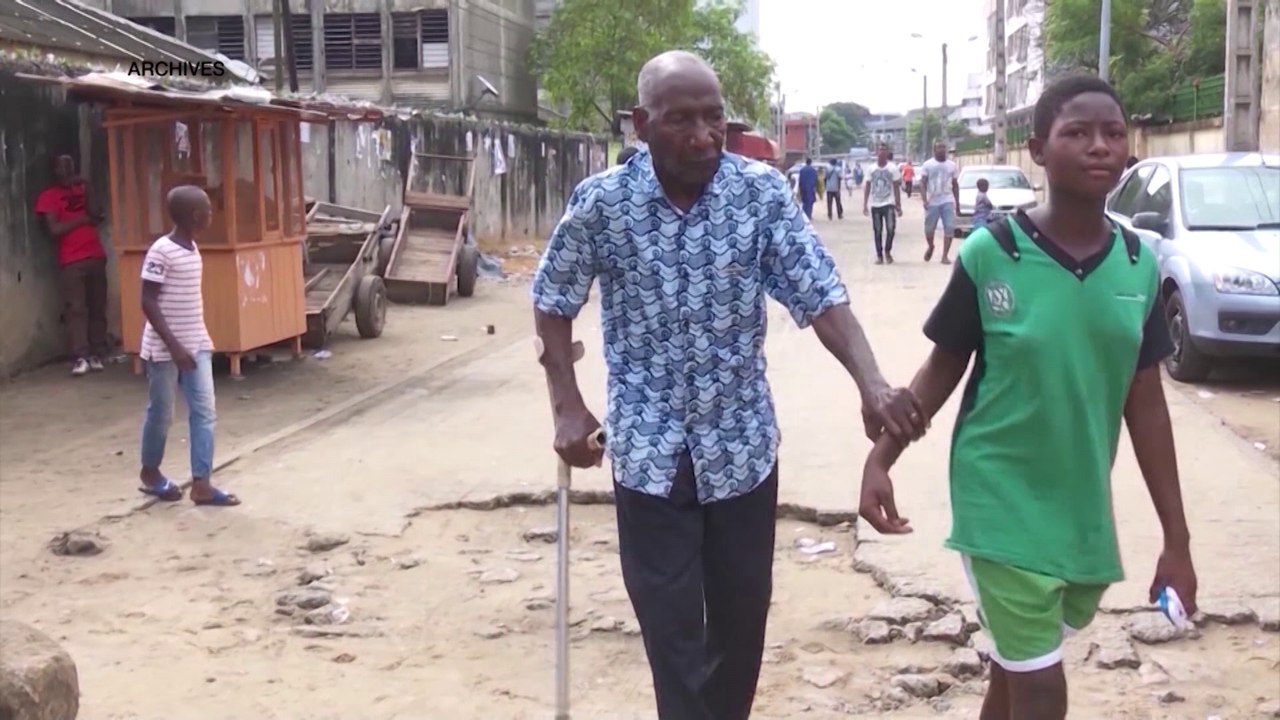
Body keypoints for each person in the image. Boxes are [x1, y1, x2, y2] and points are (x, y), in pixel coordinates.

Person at [531, 50, 926, 720]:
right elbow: (552, 298)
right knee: (672, 637)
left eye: (714, 119)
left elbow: (820, 293)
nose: (703, 137)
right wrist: (567, 407)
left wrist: (871, 382)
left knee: (741, 628)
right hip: (649, 454)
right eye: (681, 120)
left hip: (741, 448)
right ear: (641, 125)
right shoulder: (603, 204)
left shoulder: (760, 194)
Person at [858, 75, 1197, 720]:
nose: (1099, 146)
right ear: (1038, 149)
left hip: (1079, 506)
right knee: (1041, 688)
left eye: (1113, 133)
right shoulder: (994, 252)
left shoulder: (1137, 263)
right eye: (1078, 133)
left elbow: (1147, 405)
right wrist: (881, 459)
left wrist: (1176, 539)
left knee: (1015, 673)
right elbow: (942, 369)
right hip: (998, 497)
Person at [137, 185, 240, 507]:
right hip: (164, 350)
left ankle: (201, 484)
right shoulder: (161, 251)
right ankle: (150, 473)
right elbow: (148, 301)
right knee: (162, 413)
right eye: (208, 209)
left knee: (205, 412)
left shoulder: (192, 248)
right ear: (196, 216)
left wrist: (193, 344)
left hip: (197, 344)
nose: (212, 213)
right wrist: (174, 347)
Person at [34, 155, 109, 376]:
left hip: (95, 254)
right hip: (71, 259)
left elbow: (97, 215)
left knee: (98, 306)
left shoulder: (82, 189)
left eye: (70, 166)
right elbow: (54, 229)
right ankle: (80, 355)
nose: (67, 170)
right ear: (54, 170)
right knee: (76, 309)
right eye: (62, 167)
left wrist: (88, 186)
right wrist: (82, 219)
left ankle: (97, 352)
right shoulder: (48, 196)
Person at [919, 141, 960, 263]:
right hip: (932, 201)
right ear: (934, 150)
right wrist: (924, 199)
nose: (941, 150)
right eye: (939, 147)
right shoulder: (928, 165)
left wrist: (957, 203)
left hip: (947, 200)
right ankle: (931, 246)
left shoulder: (952, 165)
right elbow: (922, 183)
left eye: (943, 147)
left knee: (950, 227)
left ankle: (945, 255)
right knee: (929, 229)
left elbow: (955, 185)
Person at [862, 143, 903, 265]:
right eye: (880, 150)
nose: (882, 152)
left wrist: (898, 205)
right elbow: (867, 186)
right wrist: (865, 204)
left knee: (891, 229)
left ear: (887, 153)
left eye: (884, 150)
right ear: (876, 152)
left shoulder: (892, 168)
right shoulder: (871, 169)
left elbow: (896, 187)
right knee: (878, 231)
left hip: (889, 203)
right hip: (875, 204)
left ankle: (887, 251)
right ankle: (879, 255)